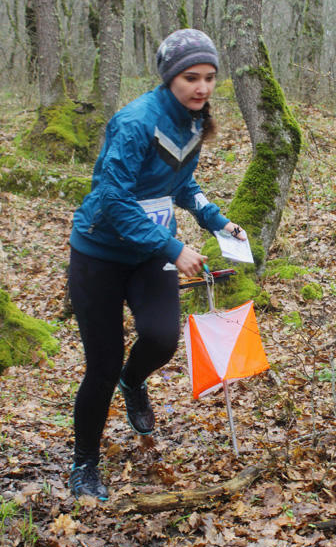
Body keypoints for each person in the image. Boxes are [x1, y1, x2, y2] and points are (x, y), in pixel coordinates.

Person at [68, 29, 246, 500]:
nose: (202, 88)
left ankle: (135, 381)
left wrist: (218, 222)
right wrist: (172, 248)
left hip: (149, 253)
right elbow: (111, 198)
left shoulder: (192, 122)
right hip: (99, 255)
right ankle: (85, 464)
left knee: (163, 338)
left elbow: (183, 185)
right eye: (191, 78)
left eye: (209, 78)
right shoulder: (135, 122)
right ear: (170, 77)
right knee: (100, 366)